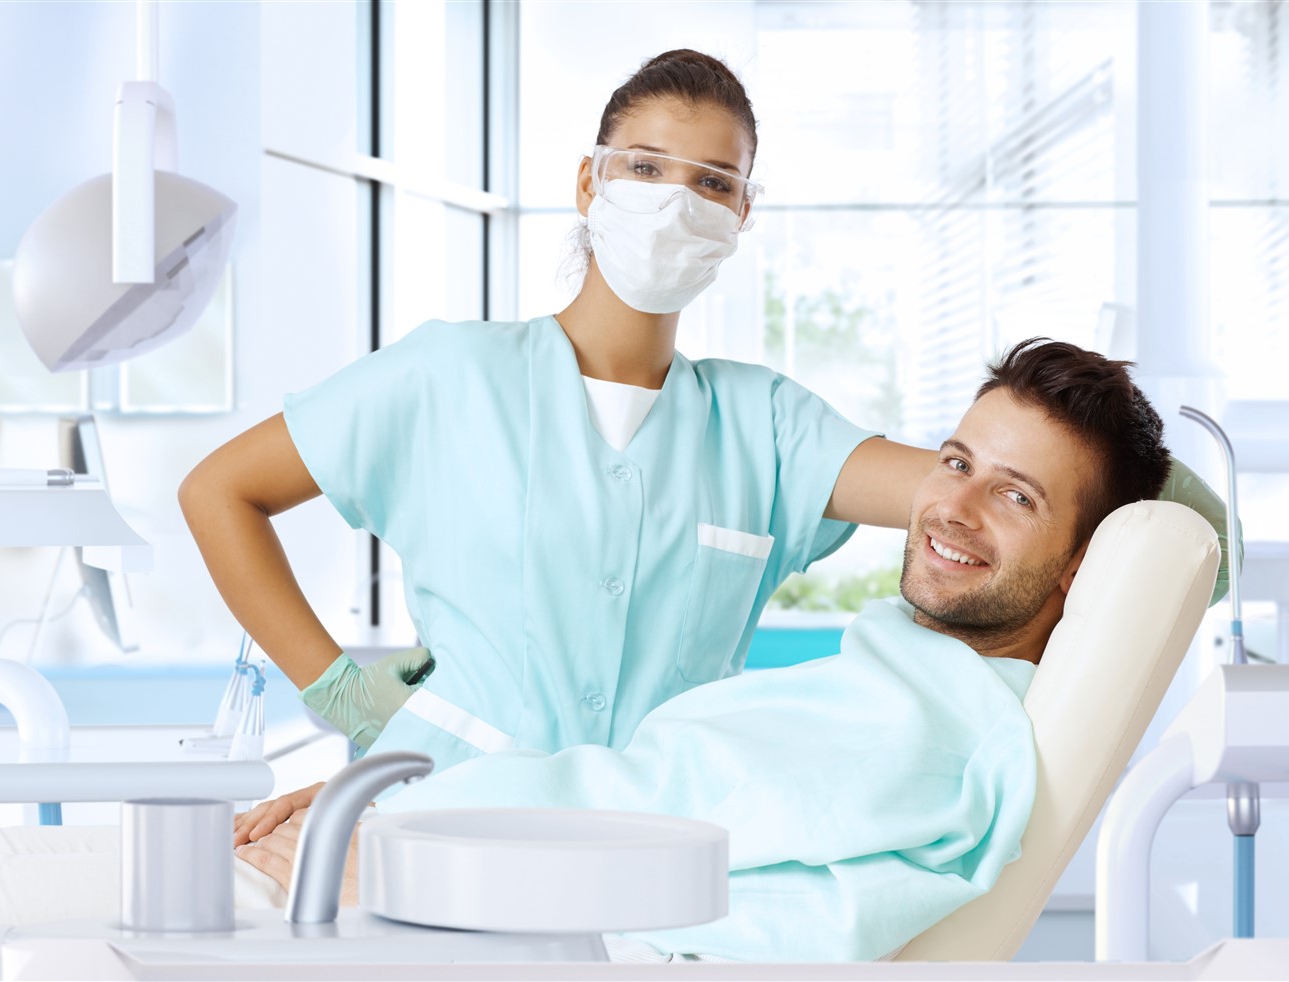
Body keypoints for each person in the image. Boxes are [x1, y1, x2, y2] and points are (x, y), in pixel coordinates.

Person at [178, 50, 1233, 794]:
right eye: (643, 168)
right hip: (443, 810)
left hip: (670, 855)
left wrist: (1153, 490)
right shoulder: (443, 378)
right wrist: (338, 692)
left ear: (741, 215)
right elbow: (218, 490)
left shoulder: (762, 425)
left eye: (711, 181)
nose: (673, 200)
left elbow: (971, 492)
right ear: (589, 181)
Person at [216, 338, 1171, 962]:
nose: (952, 505)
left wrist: (406, 847)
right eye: (953, 463)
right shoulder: (883, 686)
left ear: (1081, 565)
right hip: (423, 833)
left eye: (1016, 495)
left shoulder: (928, 737)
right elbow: (651, 800)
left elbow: (696, 876)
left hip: (433, 882)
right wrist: (391, 796)